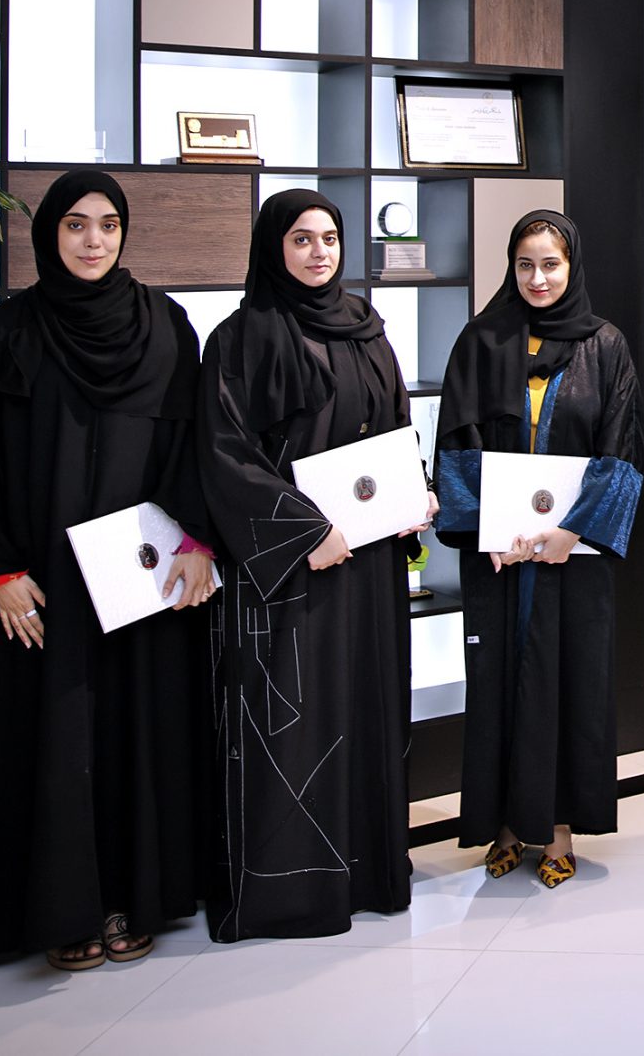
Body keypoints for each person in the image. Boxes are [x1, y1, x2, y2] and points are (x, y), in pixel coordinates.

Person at [0, 169, 216, 970]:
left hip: (136, 583)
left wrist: (196, 542)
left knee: (131, 736)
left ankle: (128, 898)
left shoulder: (165, 325)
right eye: (76, 225)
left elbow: (193, 444)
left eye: (108, 225)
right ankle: (57, 911)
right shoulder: (5, 332)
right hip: (40, 585)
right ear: (49, 233)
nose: (93, 240)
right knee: (47, 737)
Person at [196, 189, 426, 940]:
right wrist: (303, 532)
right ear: (273, 247)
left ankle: (370, 871)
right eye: (301, 239)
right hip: (292, 570)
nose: (319, 252)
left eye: (328, 237)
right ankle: (291, 892)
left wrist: (413, 495)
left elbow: (395, 428)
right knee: (294, 721)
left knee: (365, 706)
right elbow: (224, 454)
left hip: (369, 562)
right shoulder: (239, 339)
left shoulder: (367, 330)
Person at [434, 210, 644, 887]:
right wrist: (488, 529)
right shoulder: (481, 340)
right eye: (525, 264)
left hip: (569, 554)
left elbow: (621, 446)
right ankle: (502, 825)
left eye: (551, 264)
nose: (538, 278)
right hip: (498, 555)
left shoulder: (605, 346)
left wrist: (572, 531)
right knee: (500, 682)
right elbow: (456, 442)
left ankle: (557, 830)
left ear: (571, 265)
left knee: (567, 681)